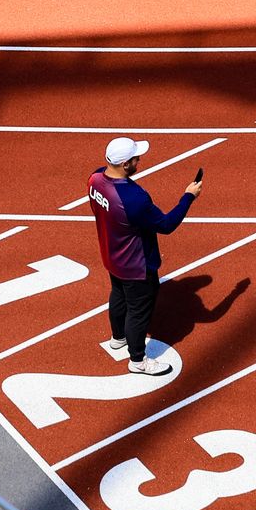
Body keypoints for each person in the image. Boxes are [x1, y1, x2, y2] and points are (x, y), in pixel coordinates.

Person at [88, 137, 202, 375]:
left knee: (118, 295)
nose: (139, 160)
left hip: (111, 255)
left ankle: (117, 338)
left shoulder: (95, 179)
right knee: (138, 312)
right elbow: (167, 224)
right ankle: (138, 360)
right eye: (136, 158)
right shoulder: (134, 198)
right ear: (125, 164)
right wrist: (188, 196)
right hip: (137, 264)